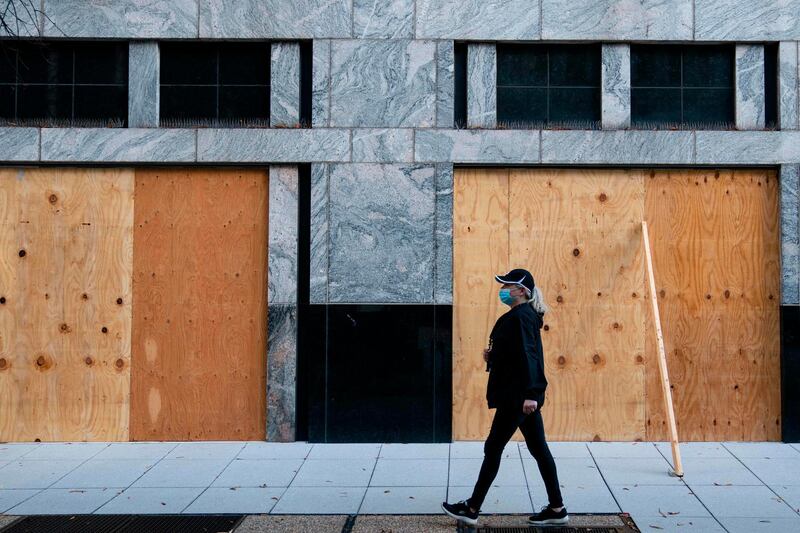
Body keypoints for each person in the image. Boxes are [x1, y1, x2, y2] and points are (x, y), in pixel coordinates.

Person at [442, 268, 568, 527]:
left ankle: (472, 508)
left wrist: (531, 394)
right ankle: (557, 509)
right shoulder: (521, 315)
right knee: (539, 449)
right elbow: (517, 354)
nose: (504, 290)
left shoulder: (521, 316)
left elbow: (530, 355)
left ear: (522, 291)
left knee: (493, 448)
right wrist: (495, 357)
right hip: (520, 395)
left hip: (518, 397)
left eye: (508, 286)